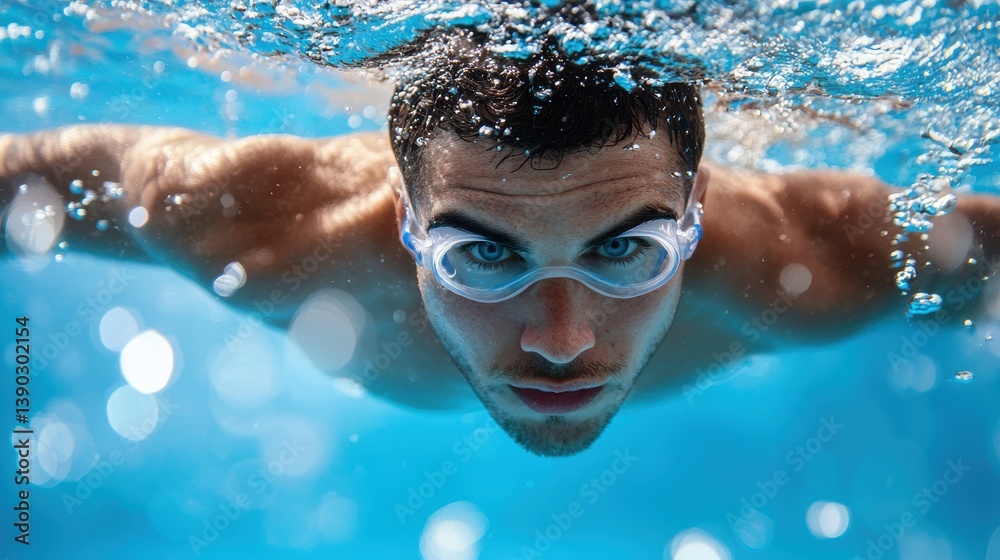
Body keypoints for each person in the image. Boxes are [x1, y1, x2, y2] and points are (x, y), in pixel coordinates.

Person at [2, 38, 998, 457]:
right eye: (483, 256)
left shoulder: (826, 257)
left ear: (691, 213)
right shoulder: (253, 227)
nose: (560, 339)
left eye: (626, 253)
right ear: (404, 218)